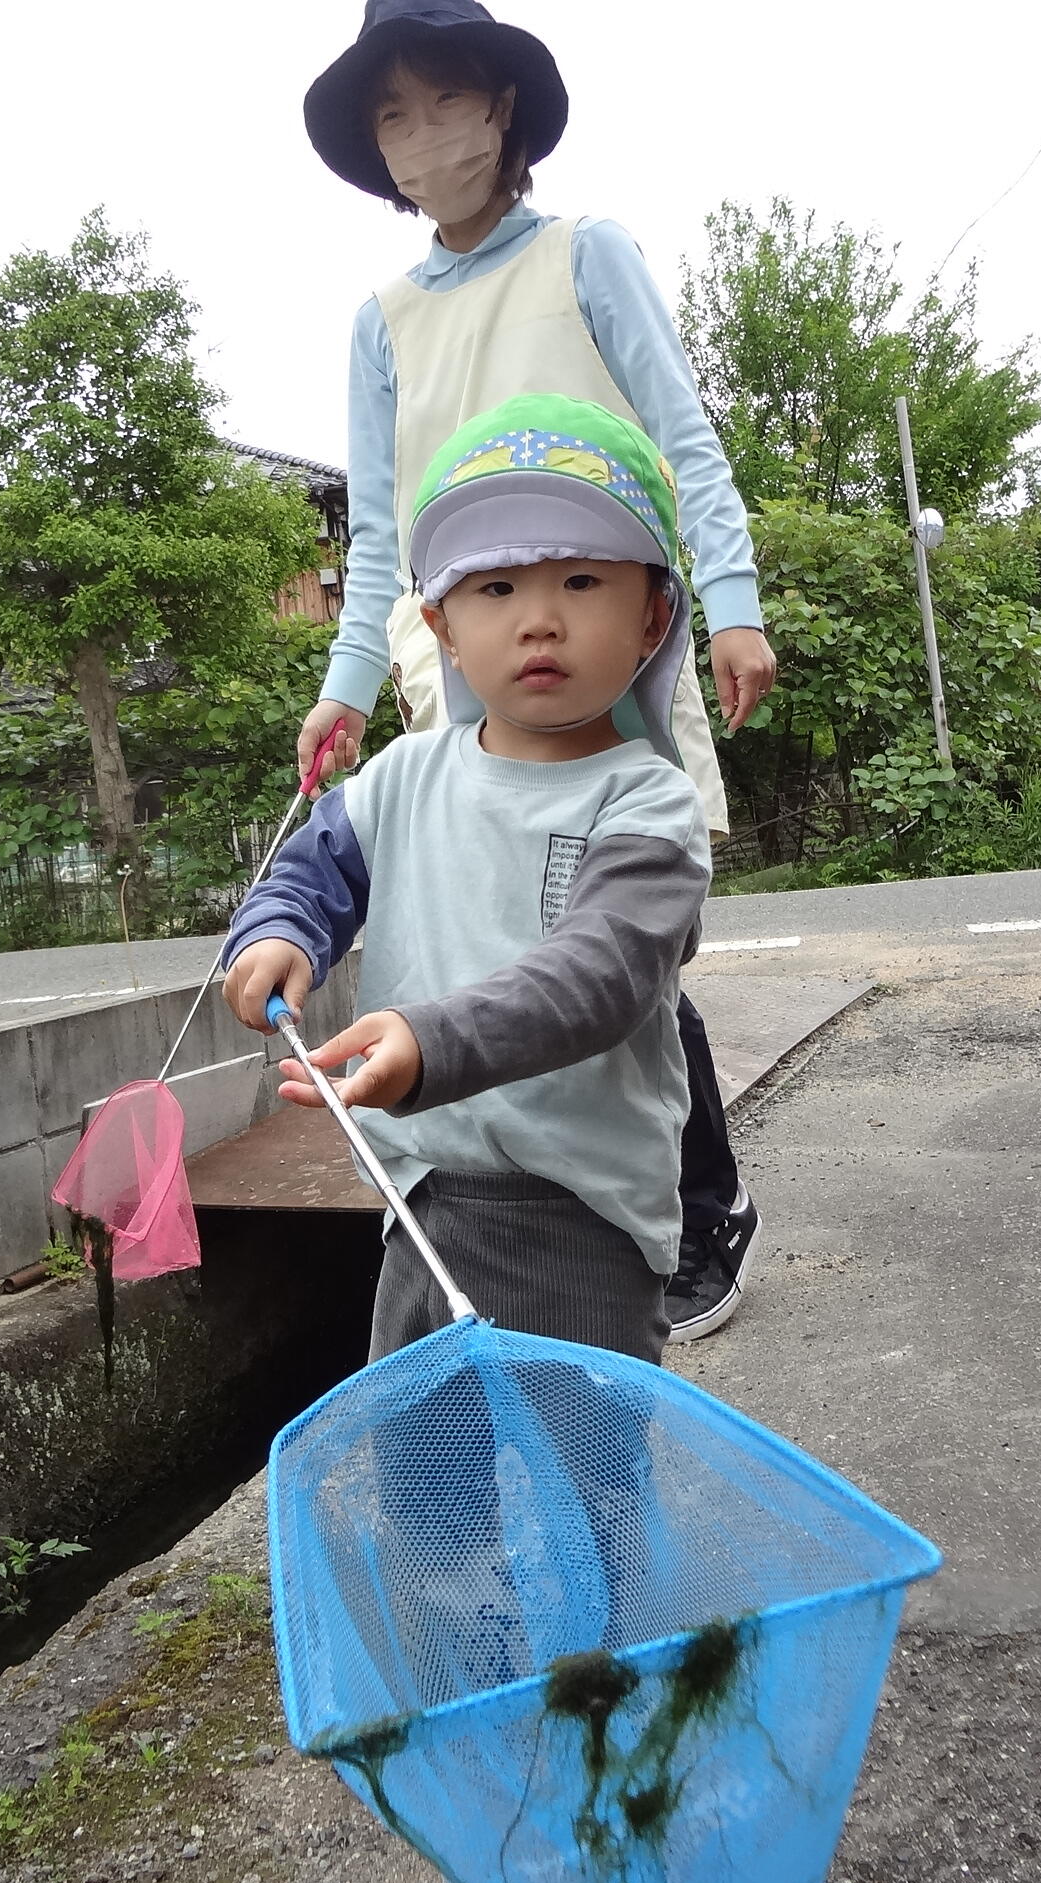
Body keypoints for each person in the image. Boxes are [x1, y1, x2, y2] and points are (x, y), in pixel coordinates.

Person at [296, 0, 768, 1339]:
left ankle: (696, 1203)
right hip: (457, 650)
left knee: (620, 930)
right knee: (493, 935)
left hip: (604, 617)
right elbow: (380, 534)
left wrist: (729, 604)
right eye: (392, 116)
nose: (419, 139)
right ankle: (495, 1195)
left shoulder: (584, 255)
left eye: (443, 104)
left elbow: (683, 438)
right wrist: (343, 689)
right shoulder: (381, 321)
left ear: (502, 112)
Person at [223, 396, 708, 1363]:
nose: (537, 620)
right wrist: (277, 932)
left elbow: (602, 973)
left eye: (579, 579)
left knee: (584, 1498)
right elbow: (308, 876)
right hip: (422, 1201)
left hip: (584, 1223)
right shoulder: (401, 776)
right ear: (442, 625)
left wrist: (430, 1039)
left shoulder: (649, 804)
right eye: (492, 589)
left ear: (653, 617)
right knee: (425, 1496)